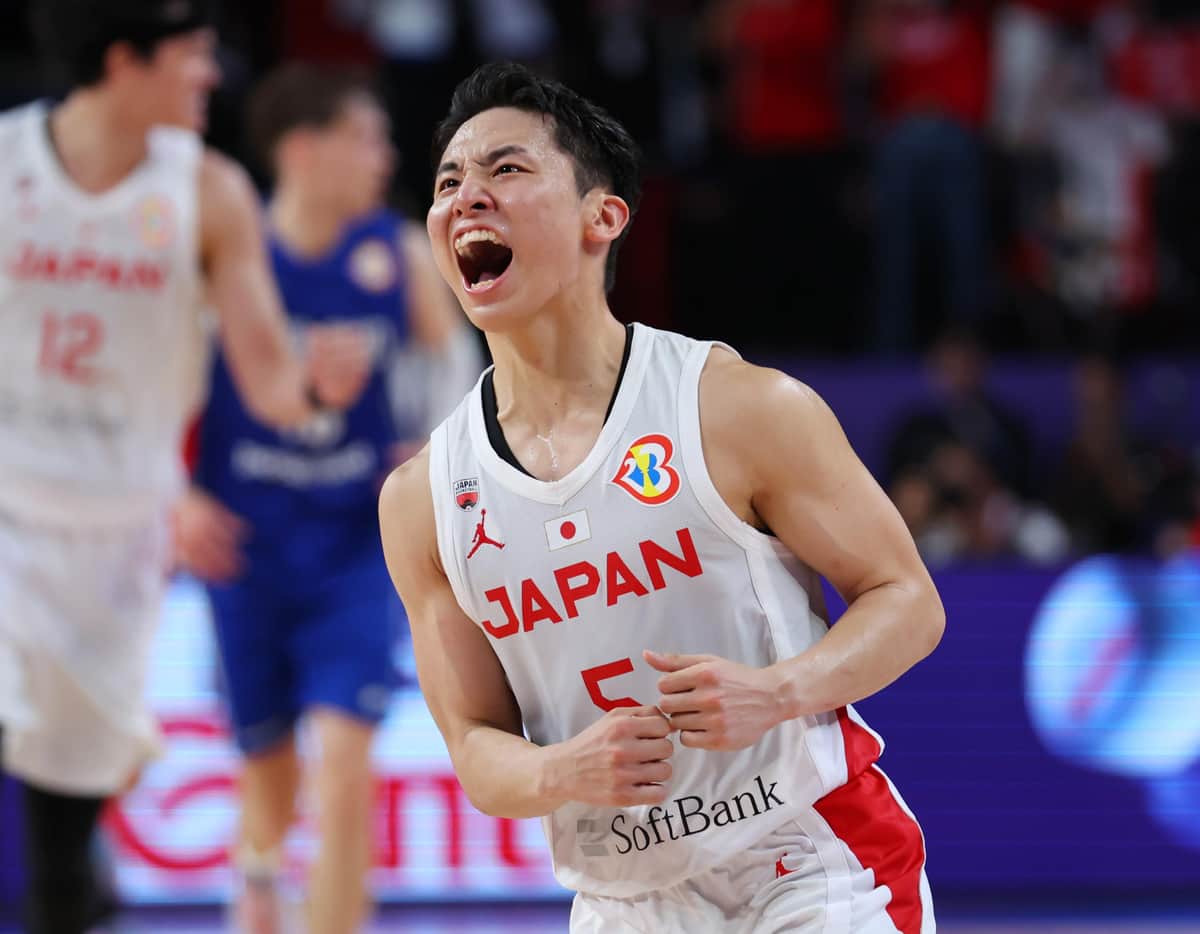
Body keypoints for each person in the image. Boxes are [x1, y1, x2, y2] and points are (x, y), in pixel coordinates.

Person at [379, 62, 944, 932]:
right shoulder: (423, 497)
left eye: (507, 169)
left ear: (602, 218)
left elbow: (908, 601)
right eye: (448, 182)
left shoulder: (735, 406)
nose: (467, 197)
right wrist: (561, 771)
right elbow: (477, 748)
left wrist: (780, 692)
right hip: (624, 900)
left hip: (810, 856)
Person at [0, 4, 371, 933]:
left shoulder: (209, 191)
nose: (212, 75)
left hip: (116, 532)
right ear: (125, 59)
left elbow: (267, 377)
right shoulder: (6, 163)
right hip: (7, 501)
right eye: (193, 56)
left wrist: (315, 390)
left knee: (62, 831)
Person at [172, 63, 468, 934]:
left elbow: (456, 369)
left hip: (354, 546)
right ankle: (258, 869)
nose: (384, 157)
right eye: (364, 138)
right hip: (246, 543)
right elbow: (164, 384)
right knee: (267, 765)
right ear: (302, 149)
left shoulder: (399, 251)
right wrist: (176, 496)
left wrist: (436, 447)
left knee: (345, 763)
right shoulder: (229, 253)